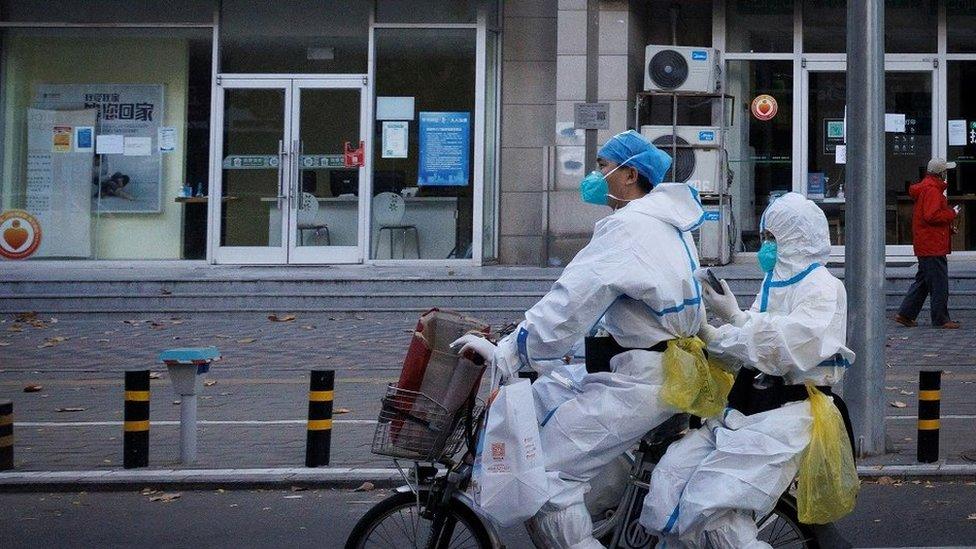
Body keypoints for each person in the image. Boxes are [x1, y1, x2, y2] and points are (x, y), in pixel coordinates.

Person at [454, 129, 707, 549]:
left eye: (604, 166)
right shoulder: (667, 225)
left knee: (547, 478)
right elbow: (610, 308)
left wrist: (514, 350)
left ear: (629, 176)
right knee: (550, 398)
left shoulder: (629, 227)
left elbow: (571, 301)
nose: (595, 175)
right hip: (656, 371)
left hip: (641, 381)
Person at [640, 192, 856, 548]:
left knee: (712, 506)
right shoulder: (775, 282)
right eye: (765, 237)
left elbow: (787, 347)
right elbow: (756, 334)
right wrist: (721, 325)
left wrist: (731, 326)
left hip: (788, 415)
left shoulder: (823, 288)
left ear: (796, 238)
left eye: (772, 238)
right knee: (668, 485)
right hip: (748, 408)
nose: (765, 247)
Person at [895, 158, 961, 329]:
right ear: (941, 173)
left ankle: (906, 314)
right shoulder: (932, 190)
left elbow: (927, 217)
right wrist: (951, 213)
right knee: (939, 283)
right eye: (945, 171)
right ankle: (941, 319)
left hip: (927, 243)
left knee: (923, 281)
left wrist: (948, 228)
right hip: (932, 246)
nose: (947, 174)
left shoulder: (926, 188)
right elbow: (931, 216)